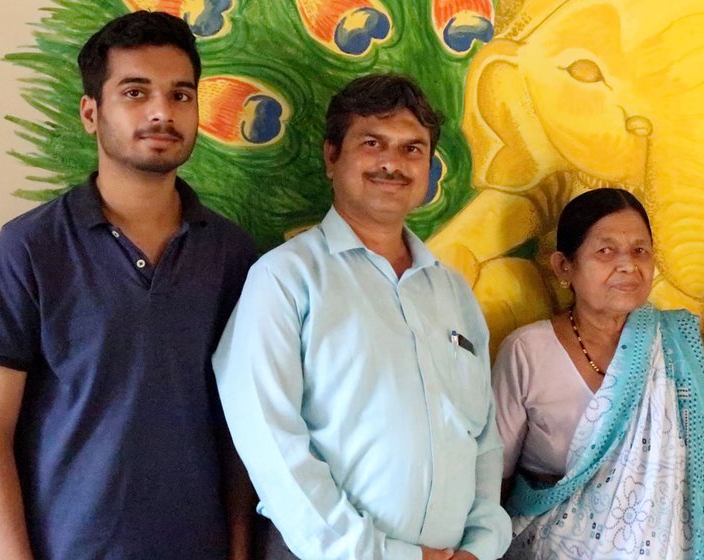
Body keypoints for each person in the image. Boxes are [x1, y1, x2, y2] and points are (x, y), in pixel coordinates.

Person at [212, 73, 511, 560]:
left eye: (412, 149)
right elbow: (272, 446)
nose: (393, 163)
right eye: (373, 143)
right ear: (333, 157)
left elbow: (482, 440)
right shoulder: (284, 280)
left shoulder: (452, 291)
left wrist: (480, 545)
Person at [0, 11, 257, 560]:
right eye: (135, 92)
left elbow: (241, 426)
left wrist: (238, 548)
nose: (163, 111)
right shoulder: (28, 248)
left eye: (181, 95)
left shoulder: (233, 255)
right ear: (91, 113)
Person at [492, 188, 704, 559]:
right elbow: (492, 479)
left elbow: (696, 470)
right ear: (565, 268)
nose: (628, 265)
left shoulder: (676, 344)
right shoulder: (527, 351)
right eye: (606, 251)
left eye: (640, 251)